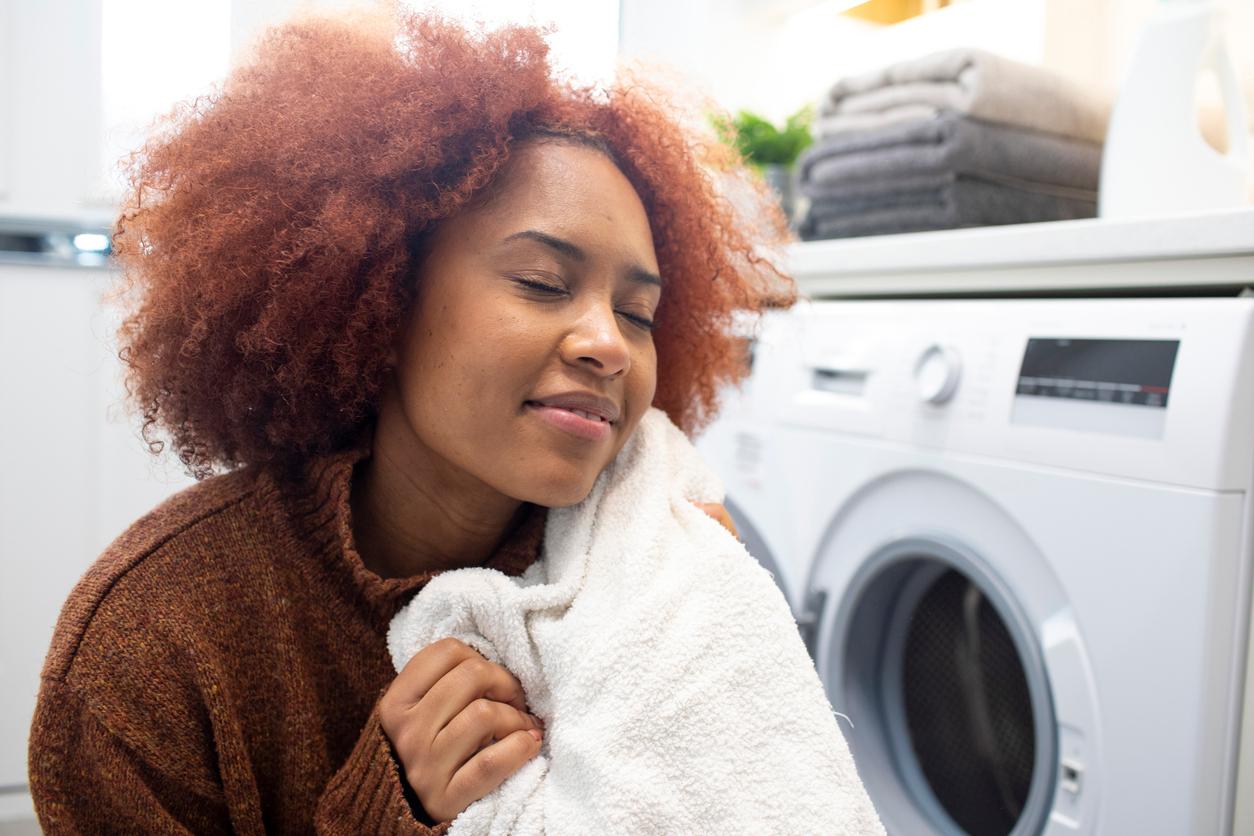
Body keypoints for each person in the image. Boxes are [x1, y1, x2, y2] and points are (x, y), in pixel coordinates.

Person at [28, 9, 791, 834]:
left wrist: (711, 607)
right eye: (541, 281)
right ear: (380, 296)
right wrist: (387, 810)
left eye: (639, 312)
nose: (609, 344)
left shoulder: (660, 555)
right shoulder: (153, 648)